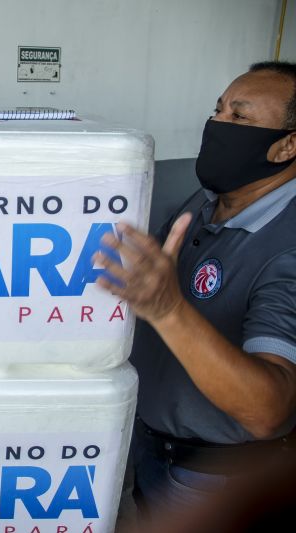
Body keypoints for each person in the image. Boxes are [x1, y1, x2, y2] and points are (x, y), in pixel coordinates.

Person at [94, 61, 296, 523]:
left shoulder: (287, 245)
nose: (218, 125)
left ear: (288, 144)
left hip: (217, 478)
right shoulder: (209, 201)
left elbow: (271, 410)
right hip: (153, 451)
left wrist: (167, 309)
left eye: (240, 118)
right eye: (218, 110)